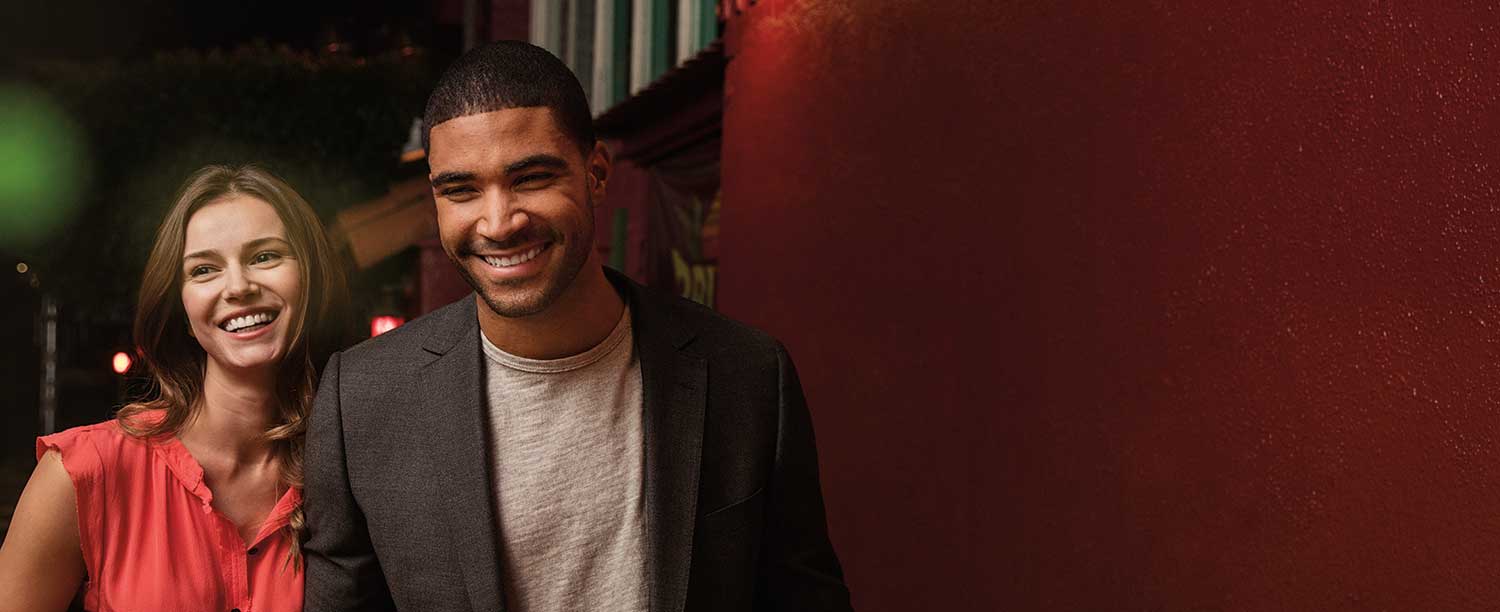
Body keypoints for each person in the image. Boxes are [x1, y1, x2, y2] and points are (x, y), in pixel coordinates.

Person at [303, 40, 852, 611]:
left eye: (532, 178)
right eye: (461, 190)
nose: (498, 222)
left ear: (595, 173)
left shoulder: (749, 376)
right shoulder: (361, 399)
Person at [0, 165, 348, 612]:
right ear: (181, 307)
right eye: (204, 269)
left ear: (310, 279)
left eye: (265, 257)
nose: (239, 287)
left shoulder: (352, 467)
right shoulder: (85, 471)